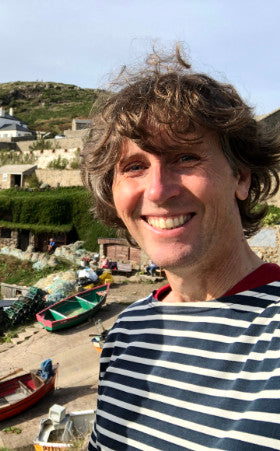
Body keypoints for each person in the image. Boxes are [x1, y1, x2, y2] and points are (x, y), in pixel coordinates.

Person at [82, 46, 280, 449]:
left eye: (185, 157)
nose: (158, 190)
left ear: (241, 178)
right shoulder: (125, 335)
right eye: (134, 166)